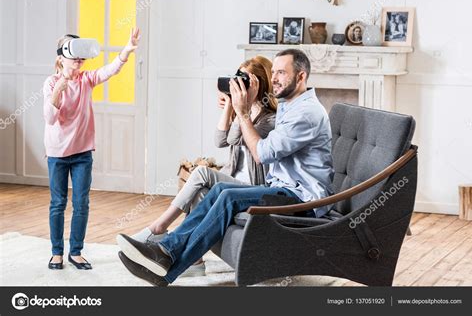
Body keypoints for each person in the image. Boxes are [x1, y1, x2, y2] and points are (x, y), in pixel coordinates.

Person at [116, 48, 334, 286]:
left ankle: (166, 261)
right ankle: (165, 257)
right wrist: (235, 105)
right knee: (220, 191)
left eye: (281, 73)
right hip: (284, 189)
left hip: (304, 200)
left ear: (301, 77)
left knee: (228, 196)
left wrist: (242, 111)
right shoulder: (289, 104)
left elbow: (262, 154)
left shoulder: (306, 113)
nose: (274, 80)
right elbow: (227, 139)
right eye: (273, 74)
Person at [122, 56, 277, 276]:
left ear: (258, 85)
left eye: (244, 81)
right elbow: (219, 140)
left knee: (202, 173)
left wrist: (238, 107)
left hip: (252, 186)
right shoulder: (243, 113)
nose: (238, 85)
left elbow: (233, 138)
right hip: (233, 179)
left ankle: (157, 229)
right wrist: (229, 107)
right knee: (199, 187)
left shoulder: (270, 120)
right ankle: (194, 262)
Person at [44, 28, 140, 270]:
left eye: (81, 54)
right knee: (58, 203)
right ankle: (57, 252)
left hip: (82, 153)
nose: (78, 59)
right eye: (73, 54)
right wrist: (59, 89)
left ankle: (75, 252)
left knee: (81, 202)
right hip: (57, 152)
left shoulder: (87, 79)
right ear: (61, 58)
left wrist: (127, 50)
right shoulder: (52, 82)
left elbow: (110, 70)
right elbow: (50, 119)